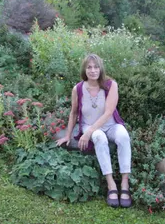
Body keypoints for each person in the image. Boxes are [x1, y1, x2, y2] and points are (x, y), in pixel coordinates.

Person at [56, 54, 132, 208]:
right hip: (89, 125)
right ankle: (111, 184)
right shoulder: (78, 88)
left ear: (100, 68)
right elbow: (74, 113)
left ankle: (124, 183)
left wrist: (88, 132)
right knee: (99, 138)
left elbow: (109, 112)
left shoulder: (111, 85)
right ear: (84, 69)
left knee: (123, 136)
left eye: (96, 66)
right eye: (89, 67)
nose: (93, 70)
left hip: (110, 125)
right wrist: (68, 136)